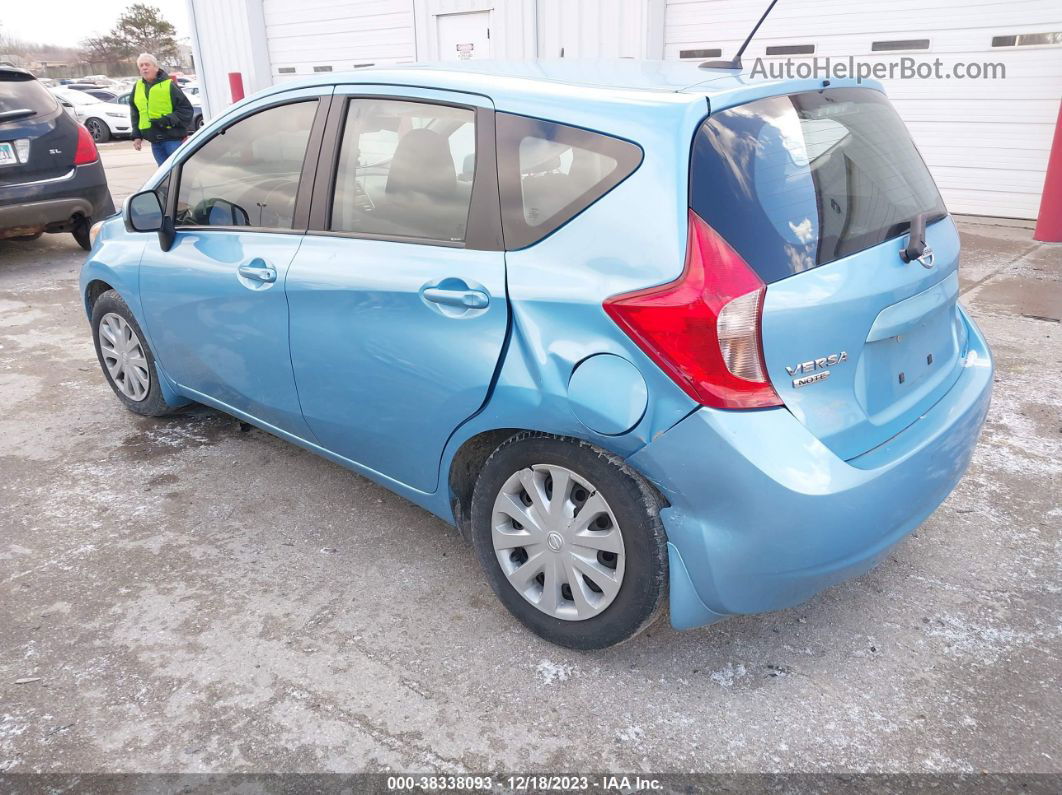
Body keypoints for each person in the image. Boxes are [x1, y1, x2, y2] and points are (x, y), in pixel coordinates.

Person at [129, 53, 194, 166]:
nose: (144, 67)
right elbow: (135, 113)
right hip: (154, 141)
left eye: (147, 65)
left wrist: (167, 120)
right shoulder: (138, 86)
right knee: (164, 175)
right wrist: (137, 136)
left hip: (172, 139)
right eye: (141, 65)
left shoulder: (169, 85)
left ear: (156, 67)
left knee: (179, 170)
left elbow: (186, 110)